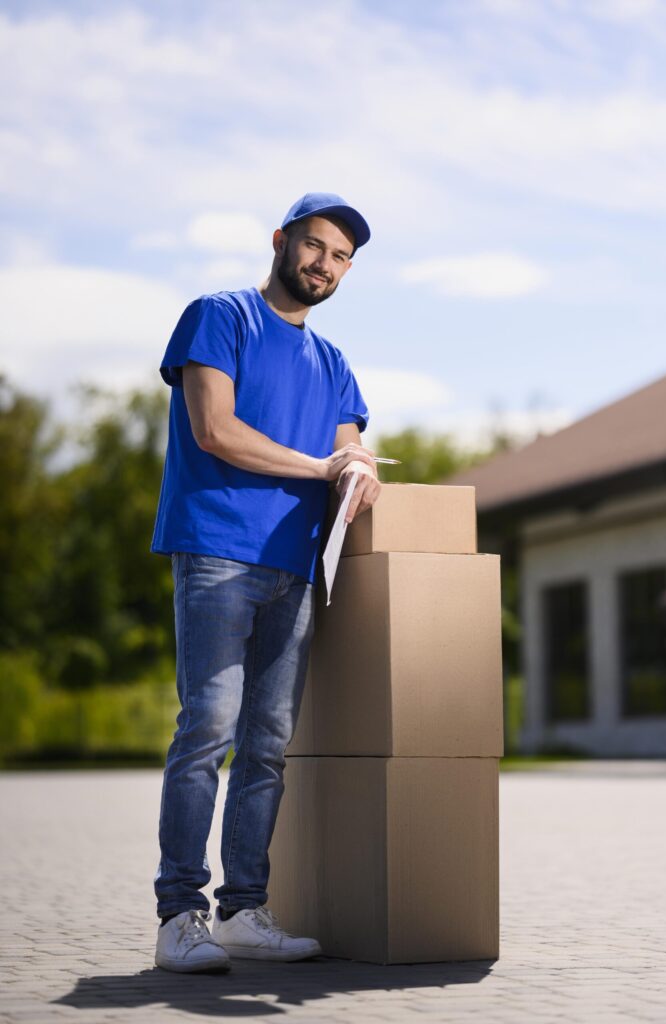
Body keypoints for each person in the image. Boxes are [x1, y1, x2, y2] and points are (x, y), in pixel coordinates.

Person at [150, 192, 381, 973]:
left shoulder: (334, 364)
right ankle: (179, 914)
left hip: (295, 567)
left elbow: (348, 450)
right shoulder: (220, 317)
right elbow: (213, 429)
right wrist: (321, 465)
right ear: (282, 241)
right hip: (217, 550)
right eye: (315, 246)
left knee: (268, 747)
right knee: (206, 729)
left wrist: (355, 472)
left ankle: (244, 909)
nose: (324, 264)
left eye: (341, 256)